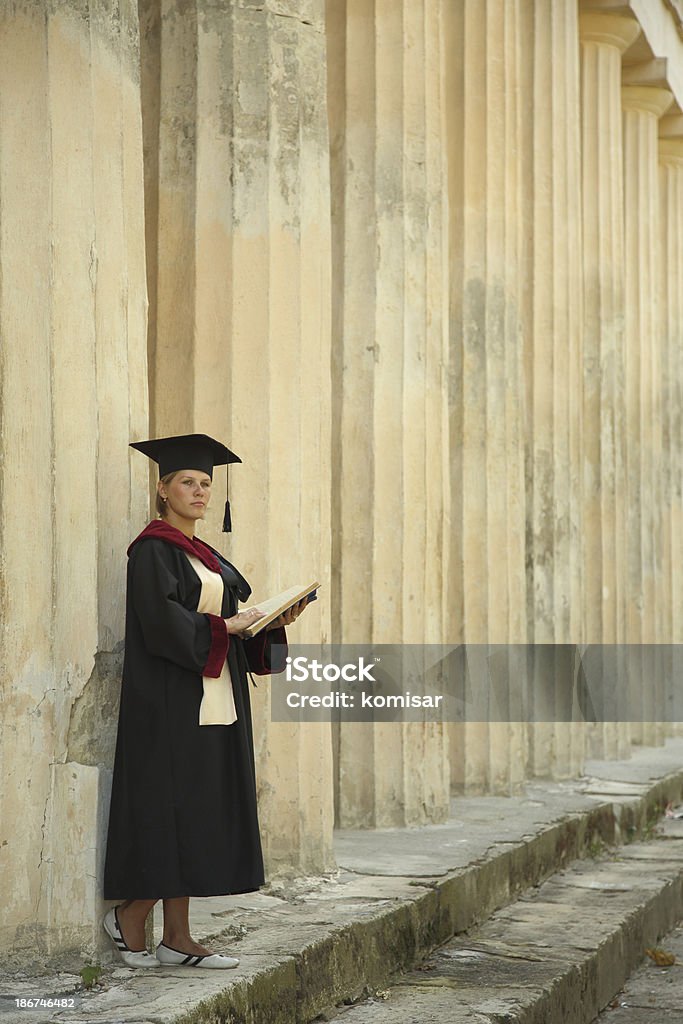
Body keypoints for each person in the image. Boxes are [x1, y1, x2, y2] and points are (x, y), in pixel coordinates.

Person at [102, 433, 308, 969]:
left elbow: (231, 625)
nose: (198, 492)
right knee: (174, 810)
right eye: (188, 483)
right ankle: (132, 913)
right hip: (170, 702)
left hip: (218, 697)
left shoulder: (210, 558)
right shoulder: (151, 551)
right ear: (163, 489)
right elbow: (161, 624)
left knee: (199, 810)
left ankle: (177, 937)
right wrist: (226, 625)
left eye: (205, 484)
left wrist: (267, 625)